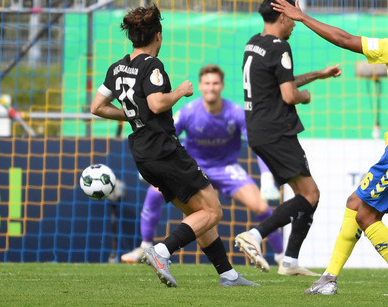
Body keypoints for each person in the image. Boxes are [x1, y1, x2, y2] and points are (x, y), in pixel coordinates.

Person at [270, 0, 388, 296]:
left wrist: (302, 18)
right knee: (355, 203)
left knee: (367, 217)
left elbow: (344, 39)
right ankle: (328, 279)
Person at [89, 5, 257, 288]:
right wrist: (180, 91)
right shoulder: (152, 65)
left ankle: (228, 275)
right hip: (163, 148)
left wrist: (132, 115)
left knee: (197, 213)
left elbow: (97, 107)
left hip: (142, 152)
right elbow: (156, 104)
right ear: (158, 34)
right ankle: (162, 251)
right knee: (213, 211)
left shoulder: (116, 68)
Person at [119, 64, 285, 265]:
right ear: (200, 86)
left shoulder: (236, 112)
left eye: (215, 83)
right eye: (207, 83)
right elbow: (163, 134)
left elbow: (257, 144)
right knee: (154, 193)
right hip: (192, 167)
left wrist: (267, 177)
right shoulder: (189, 111)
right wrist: (155, 165)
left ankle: (281, 256)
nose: (211, 87)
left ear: (222, 86)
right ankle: (144, 246)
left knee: (261, 206)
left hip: (226, 168)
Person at [233, 0, 341, 277]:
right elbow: (290, 94)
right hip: (277, 130)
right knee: (311, 194)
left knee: (305, 194)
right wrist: (305, 96)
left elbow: (280, 81)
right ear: (283, 15)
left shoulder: (254, 43)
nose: (295, 23)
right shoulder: (280, 46)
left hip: (259, 130)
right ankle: (255, 236)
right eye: (293, 17)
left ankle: (290, 261)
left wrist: (319, 74)